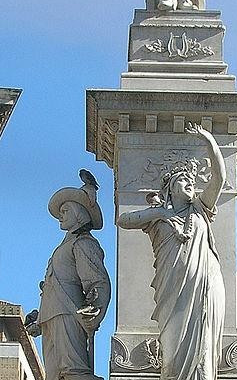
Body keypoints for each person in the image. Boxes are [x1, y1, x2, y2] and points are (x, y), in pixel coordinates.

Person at [116, 123, 226, 380]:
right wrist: (160, 213)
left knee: (203, 349)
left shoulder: (200, 208)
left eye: (192, 181)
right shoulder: (157, 219)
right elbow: (124, 220)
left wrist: (209, 141)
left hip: (204, 286)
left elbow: (219, 179)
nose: (191, 184)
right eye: (184, 180)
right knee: (172, 357)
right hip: (172, 289)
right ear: (171, 187)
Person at [27, 172, 111, 380]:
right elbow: (52, 285)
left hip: (69, 312)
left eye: (65, 211)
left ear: (78, 213)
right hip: (50, 317)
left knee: (74, 371)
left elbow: (98, 280)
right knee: (54, 375)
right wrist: (39, 321)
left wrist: (95, 309)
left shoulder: (83, 243)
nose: (61, 216)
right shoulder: (65, 245)